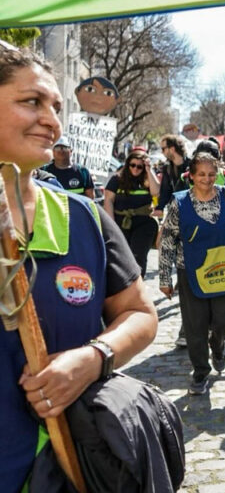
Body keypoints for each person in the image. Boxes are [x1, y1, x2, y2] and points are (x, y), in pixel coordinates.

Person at [0, 46, 157, 492]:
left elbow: (141, 315)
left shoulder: (84, 218)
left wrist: (92, 360)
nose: (52, 120)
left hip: (70, 470)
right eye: (32, 102)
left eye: (56, 107)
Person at [159, 152, 225, 395]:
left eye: (211, 174)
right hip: (189, 271)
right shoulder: (179, 203)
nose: (207, 179)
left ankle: (218, 344)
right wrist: (165, 278)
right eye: (201, 174)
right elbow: (168, 241)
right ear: (191, 175)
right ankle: (200, 372)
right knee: (195, 326)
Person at [103, 150, 160, 278]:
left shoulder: (147, 180)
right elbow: (108, 200)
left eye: (139, 166)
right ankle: (123, 284)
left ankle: (137, 284)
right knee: (121, 255)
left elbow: (156, 192)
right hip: (121, 221)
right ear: (128, 164)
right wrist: (111, 225)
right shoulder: (117, 179)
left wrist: (149, 169)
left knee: (138, 255)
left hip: (144, 223)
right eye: (132, 165)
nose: (135, 169)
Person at [154, 134, 190, 216]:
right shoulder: (167, 168)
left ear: (172, 149)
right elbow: (165, 191)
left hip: (192, 211)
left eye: (163, 149)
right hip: (176, 212)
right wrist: (160, 208)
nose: (162, 152)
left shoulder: (192, 165)